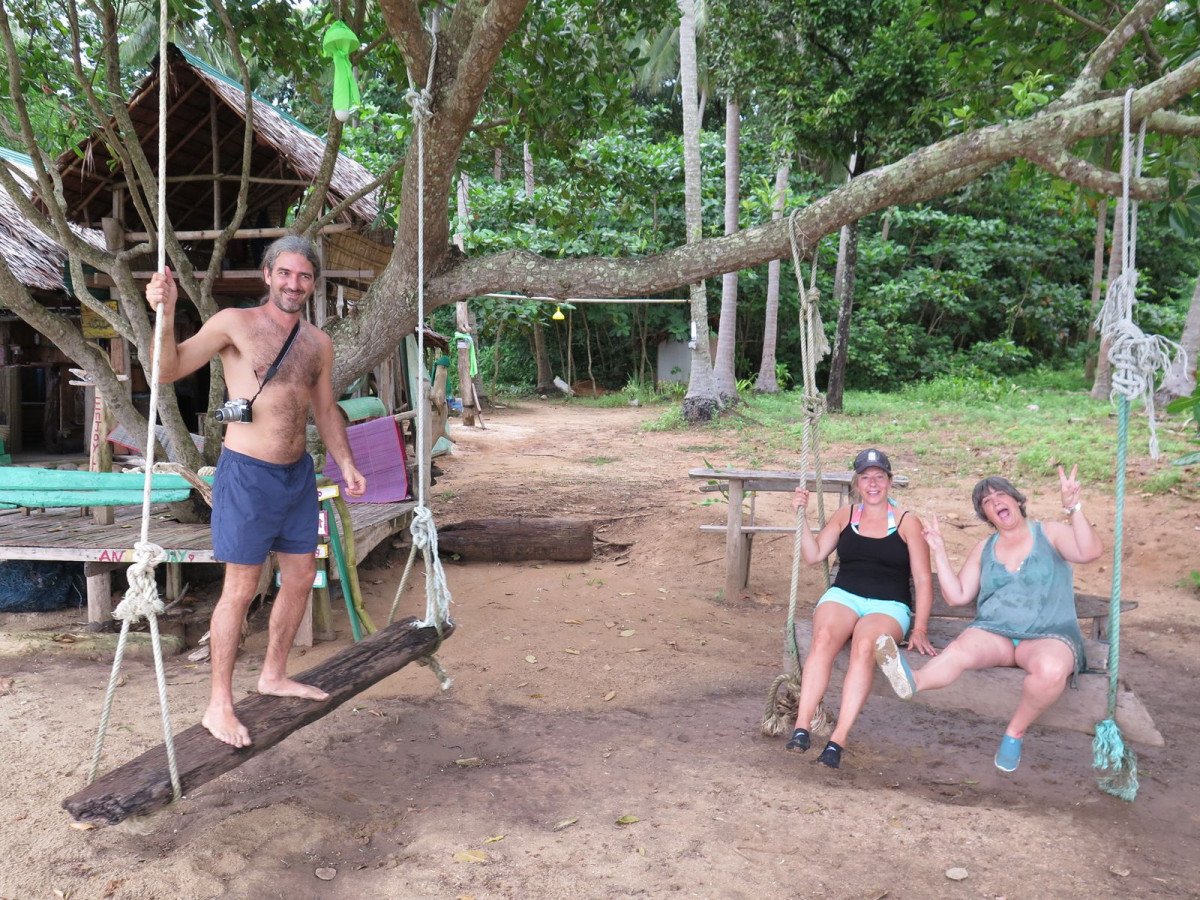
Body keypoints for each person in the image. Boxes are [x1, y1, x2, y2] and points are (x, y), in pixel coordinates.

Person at [146, 235, 366, 748]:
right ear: (267, 275)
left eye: (304, 276)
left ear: (313, 283)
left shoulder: (317, 342)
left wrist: (346, 462)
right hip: (246, 474)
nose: (294, 283)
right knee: (241, 588)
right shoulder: (234, 323)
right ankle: (218, 704)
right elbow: (167, 369)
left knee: (301, 575)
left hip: (297, 475)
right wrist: (166, 312)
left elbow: (325, 410)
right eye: (285, 273)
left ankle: (273, 674)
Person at [874, 466, 1103, 773]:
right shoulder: (985, 548)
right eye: (986, 502)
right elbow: (957, 596)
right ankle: (914, 681)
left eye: (1000, 494)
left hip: (1049, 635)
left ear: (1016, 500)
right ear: (986, 516)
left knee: (1051, 670)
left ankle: (1014, 733)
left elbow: (1090, 552)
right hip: (996, 632)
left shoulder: (1049, 533)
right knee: (960, 649)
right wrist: (939, 551)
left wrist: (1074, 507)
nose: (995, 502)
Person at [785, 448, 934, 768]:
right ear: (857, 483)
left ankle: (837, 739)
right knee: (823, 637)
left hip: (889, 605)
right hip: (844, 596)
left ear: (890, 481)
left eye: (879, 477)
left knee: (865, 644)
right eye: (866, 478)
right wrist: (801, 516)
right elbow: (813, 555)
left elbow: (923, 579)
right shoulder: (846, 515)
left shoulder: (907, 522)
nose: (873, 484)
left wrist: (920, 627)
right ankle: (802, 727)